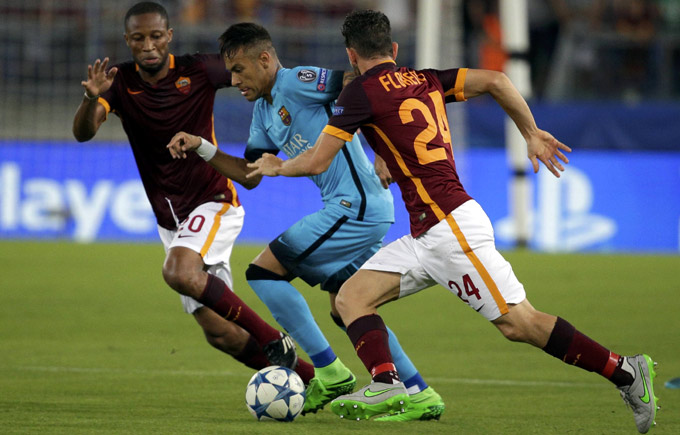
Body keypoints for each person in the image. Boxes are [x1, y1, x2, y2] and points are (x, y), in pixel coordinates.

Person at [246, 9, 659, 433]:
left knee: (520, 324)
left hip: (451, 228)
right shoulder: (427, 79)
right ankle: (387, 382)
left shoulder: (360, 95)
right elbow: (498, 81)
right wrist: (531, 132)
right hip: (428, 233)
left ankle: (625, 371)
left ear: (351, 55)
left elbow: (317, 160)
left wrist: (279, 167)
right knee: (351, 297)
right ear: (394, 49)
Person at [166, 22, 445, 420]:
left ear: (265, 59)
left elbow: (360, 81)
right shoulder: (263, 113)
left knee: (263, 273)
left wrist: (384, 144)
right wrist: (202, 147)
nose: (234, 80)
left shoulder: (297, 81)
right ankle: (420, 390)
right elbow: (250, 174)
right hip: (353, 206)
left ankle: (330, 373)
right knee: (348, 304)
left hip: (355, 203)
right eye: (230, 72)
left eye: (240, 69)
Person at [71, 1, 314, 384]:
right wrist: (90, 98)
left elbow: (253, 73)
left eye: (155, 36)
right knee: (222, 333)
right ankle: (307, 379)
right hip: (171, 220)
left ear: (169, 36)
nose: (148, 45)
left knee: (179, 271)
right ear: (127, 41)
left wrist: (281, 112)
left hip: (212, 200)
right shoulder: (118, 84)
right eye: (138, 38)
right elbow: (84, 133)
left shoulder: (197, 70)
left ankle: (273, 339)